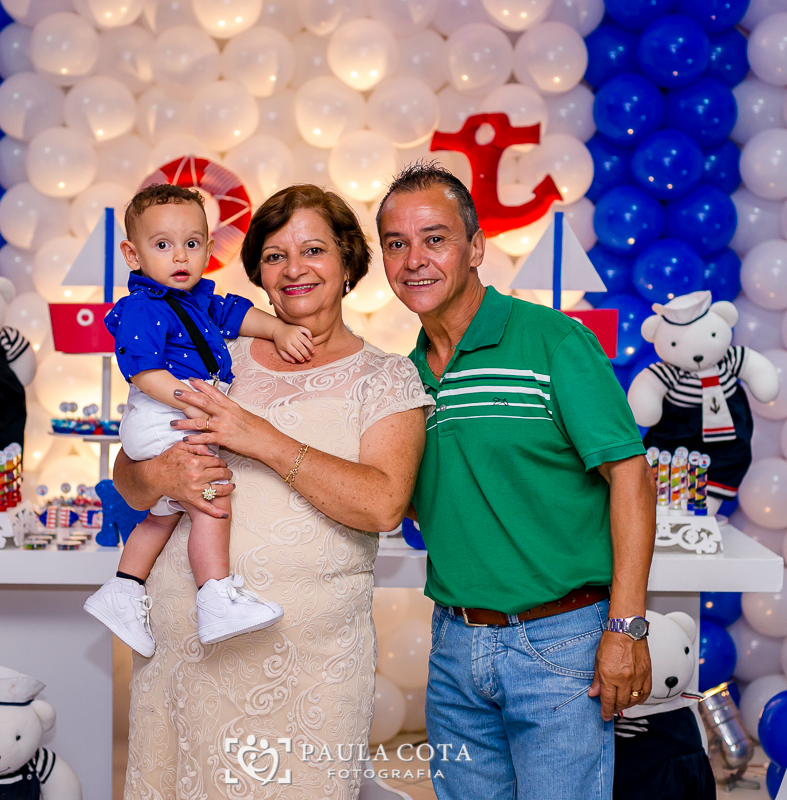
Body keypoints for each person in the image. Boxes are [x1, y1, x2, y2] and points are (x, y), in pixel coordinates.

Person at [112, 184, 432, 799]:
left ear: (347, 262)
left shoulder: (386, 376)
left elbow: (382, 504)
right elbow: (128, 478)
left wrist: (259, 437)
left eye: (313, 250)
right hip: (185, 653)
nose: (293, 269)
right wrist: (162, 476)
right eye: (274, 255)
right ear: (257, 271)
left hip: (308, 665)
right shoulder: (216, 354)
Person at [375, 162, 656, 799]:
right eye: (397, 244)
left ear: (476, 248)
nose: (414, 260)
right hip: (454, 646)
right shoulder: (403, 379)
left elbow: (631, 478)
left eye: (435, 238)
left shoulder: (553, 341)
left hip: (564, 644)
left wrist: (627, 627)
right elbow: (422, 499)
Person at [85, 184, 315, 657]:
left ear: (209, 250)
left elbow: (237, 314)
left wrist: (278, 328)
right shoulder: (142, 307)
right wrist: (193, 402)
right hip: (164, 413)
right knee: (212, 494)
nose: (179, 256)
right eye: (162, 244)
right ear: (132, 255)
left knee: (164, 512)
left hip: (179, 410)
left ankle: (123, 589)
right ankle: (215, 597)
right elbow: (143, 371)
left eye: (191, 243)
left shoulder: (195, 300)